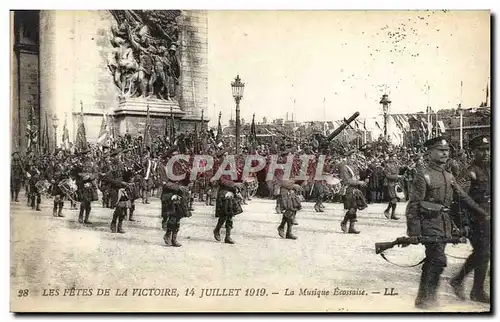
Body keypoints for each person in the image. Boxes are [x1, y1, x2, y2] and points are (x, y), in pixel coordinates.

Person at [405, 136, 489, 309]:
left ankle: (426, 298)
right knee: (437, 259)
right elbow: (414, 204)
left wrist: (481, 213)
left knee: (435, 260)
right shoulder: (424, 174)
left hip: (444, 224)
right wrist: (414, 231)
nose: (445, 154)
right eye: (440, 150)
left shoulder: (449, 175)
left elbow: (463, 199)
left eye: (447, 151)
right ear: (429, 153)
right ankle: (425, 299)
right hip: (429, 222)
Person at [449, 135, 491, 303]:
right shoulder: (470, 172)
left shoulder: (489, 169)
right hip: (475, 220)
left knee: (484, 253)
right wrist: (464, 223)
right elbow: (459, 199)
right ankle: (473, 288)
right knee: (484, 252)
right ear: (473, 152)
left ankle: (466, 284)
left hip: (488, 218)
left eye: (487, 149)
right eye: (481, 150)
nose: (486, 153)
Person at [339, 150, 368, 234]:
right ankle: (344, 222)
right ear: (348, 158)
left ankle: (352, 227)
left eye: (354, 157)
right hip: (348, 190)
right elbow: (347, 181)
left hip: (355, 189)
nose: (353, 159)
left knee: (355, 208)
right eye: (352, 157)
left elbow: (357, 177)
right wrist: (359, 182)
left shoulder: (355, 167)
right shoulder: (344, 168)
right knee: (351, 209)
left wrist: (364, 179)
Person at [383, 151, 401, 220]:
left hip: (395, 183)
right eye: (394, 156)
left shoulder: (396, 165)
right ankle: (387, 211)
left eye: (395, 156)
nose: (395, 158)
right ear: (390, 157)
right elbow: (387, 176)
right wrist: (397, 176)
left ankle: (392, 214)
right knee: (394, 198)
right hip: (390, 184)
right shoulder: (388, 165)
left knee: (396, 198)